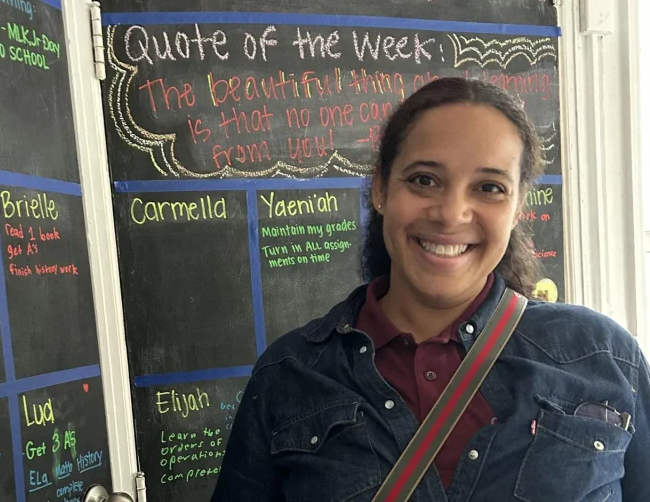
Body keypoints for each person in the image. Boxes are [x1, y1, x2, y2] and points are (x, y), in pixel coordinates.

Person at [211, 77, 650, 501]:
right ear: (381, 188)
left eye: (489, 188)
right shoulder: (289, 378)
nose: (451, 213)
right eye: (424, 179)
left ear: (517, 208)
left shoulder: (603, 355)